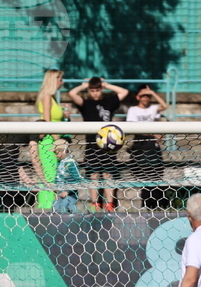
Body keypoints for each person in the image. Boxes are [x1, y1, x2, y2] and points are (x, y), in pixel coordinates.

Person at [69, 77, 129, 211]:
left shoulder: (109, 102)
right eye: (92, 90)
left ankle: (109, 204)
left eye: (97, 90)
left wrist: (106, 84)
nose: (95, 93)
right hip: (91, 145)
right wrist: (84, 85)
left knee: (108, 174)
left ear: (101, 89)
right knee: (93, 175)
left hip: (108, 145)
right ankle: (95, 203)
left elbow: (124, 91)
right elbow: (72, 93)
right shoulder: (86, 104)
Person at [126, 85, 169, 209]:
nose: (146, 98)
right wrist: (152, 133)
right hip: (140, 147)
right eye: (143, 95)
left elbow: (165, 106)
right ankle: (146, 205)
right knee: (144, 178)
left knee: (156, 177)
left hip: (152, 148)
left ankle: (157, 206)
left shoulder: (153, 109)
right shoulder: (133, 110)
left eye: (148, 96)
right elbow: (134, 128)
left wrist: (152, 92)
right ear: (137, 97)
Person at [33, 69, 65, 209]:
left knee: (52, 179)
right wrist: (59, 144)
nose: (62, 82)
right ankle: (45, 210)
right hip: (48, 143)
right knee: (48, 179)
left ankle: (50, 209)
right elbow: (47, 122)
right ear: (54, 80)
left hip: (53, 141)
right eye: (60, 79)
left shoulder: (51, 98)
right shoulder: (46, 97)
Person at [53, 139, 83, 213]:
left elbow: (78, 179)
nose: (55, 155)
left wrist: (67, 191)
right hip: (59, 193)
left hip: (70, 194)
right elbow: (58, 176)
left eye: (56, 152)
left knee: (67, 209)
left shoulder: (71, 162)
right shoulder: (59, 163)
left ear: (63, 151)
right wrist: (55, 187)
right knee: (55, 207)